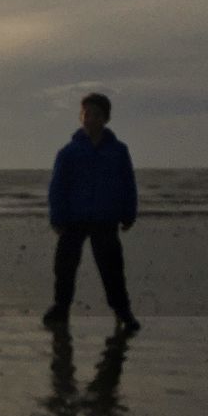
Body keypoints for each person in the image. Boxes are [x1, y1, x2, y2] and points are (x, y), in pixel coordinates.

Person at [43, 92, 141, 332]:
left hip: (105, 218)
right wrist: (57, 217)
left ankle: (122, 310)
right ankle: (60, 307)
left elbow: (128, 184)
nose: (91, 119)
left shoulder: (118, 151)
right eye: (87, 114)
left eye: (97, 115)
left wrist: (128, 213)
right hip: (73, 219)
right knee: (65, 266)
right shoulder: (68, 152)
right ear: (81, 117)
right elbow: (57, 187)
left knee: (112, 268)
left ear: (106, 119)